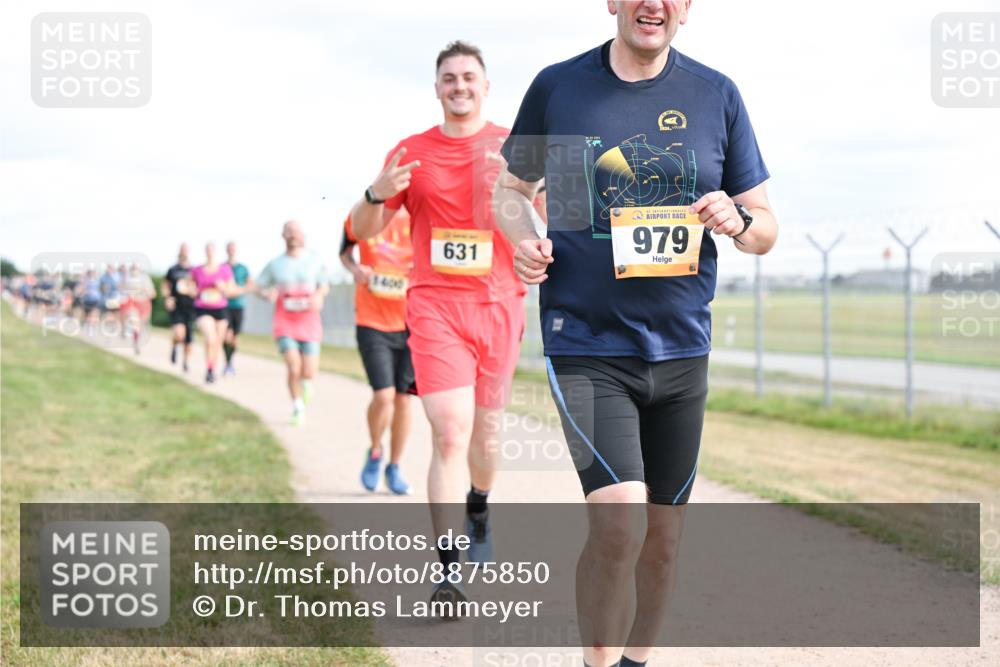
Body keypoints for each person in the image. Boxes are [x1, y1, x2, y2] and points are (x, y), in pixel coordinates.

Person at [493, 2, 778, 665]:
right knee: (618, 522)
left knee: (664, 538)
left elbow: (765, 227)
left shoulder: (715, 95)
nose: (653, 3)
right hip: (585, 341)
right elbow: (511, 190)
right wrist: (524, 238)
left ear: (687, 10)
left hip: (681, 348)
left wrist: (737, 219)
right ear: (613, 3)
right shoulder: (559, 87)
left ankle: (635, 660)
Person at [350, 40, 526, 607]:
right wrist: (375, 193)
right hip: (434, 307)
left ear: (485, 86)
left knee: (486, 437)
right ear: (436, 88)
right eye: (449, 78)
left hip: (499, 306)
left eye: (469, 77)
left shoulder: (514, 146)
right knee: (450, 431)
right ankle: (449, 570)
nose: (459, 86)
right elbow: (363, 229)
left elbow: (553, 221)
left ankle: (479, 504)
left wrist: (530, 193)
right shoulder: (411, 152)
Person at [340, 208, 415, 495]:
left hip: (413, 321)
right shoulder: (364, 212)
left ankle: (394, 466)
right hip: (372, 320)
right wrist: (355, 270)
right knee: (383, 396)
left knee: (403, 398)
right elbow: (345, 251)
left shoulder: (421, 212)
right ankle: (375, 451)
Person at [256, 221, 330, 426]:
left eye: (296, 232)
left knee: (309, 371)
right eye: (289, 232)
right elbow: (259, 286)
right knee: (293, 365)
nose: (293, 235)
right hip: (285, 322)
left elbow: (324, 286)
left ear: (303, 235)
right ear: (283, 236)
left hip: (310, 321)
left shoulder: (315, 260)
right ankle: (297, 407)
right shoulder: (275, 264)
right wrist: (267, 293)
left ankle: (306, 385)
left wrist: (319, 295)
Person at [191, 243, 236, 384]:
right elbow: (187, 285)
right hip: (203, 307)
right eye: (208, 250)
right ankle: (209, 369)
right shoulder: (197, 269)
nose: (210, 252)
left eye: (212, 250)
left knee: (217, 342)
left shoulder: (224, 269)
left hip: (221, 309)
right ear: (205, 251)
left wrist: (223, 287)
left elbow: (232, 290)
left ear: (215, 252)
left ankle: (212, 368)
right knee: (211, 339)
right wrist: (192, 291)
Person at [162, 244, 197, 373]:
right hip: (177, 306)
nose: (184, 253)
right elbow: (165, 285)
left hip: (190, 307)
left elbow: (198, 286)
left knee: (188, 338)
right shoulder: (173, 269)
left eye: (186, 250)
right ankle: (175, 346)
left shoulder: (194, 270)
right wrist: (167, 298)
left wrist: (195, 292)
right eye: (183, 250)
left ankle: (186, 362)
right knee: (179, 334)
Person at [223, 241, 253, 376]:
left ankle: (230, 362)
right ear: (226, 250)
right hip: (224, 305)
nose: (231, 251)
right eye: (229, 248)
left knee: (235, 338)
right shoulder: (222, 267)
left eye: (233, 248)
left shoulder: (243, 268)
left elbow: (250, 284)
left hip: (239, 305)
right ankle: (227, 363)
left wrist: (239, 290)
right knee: (226, 336)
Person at [120, 263, 156, 354]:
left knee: (139, 327)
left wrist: (144, 291)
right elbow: (122, 291)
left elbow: (153, 294)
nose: (134, 271)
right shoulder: (127, 279)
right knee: (134, 321)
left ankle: (136, 342)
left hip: (144, 304)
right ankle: (127, 327)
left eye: (136, 268)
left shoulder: (145, 279)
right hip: (133, 303)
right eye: (132, 268)